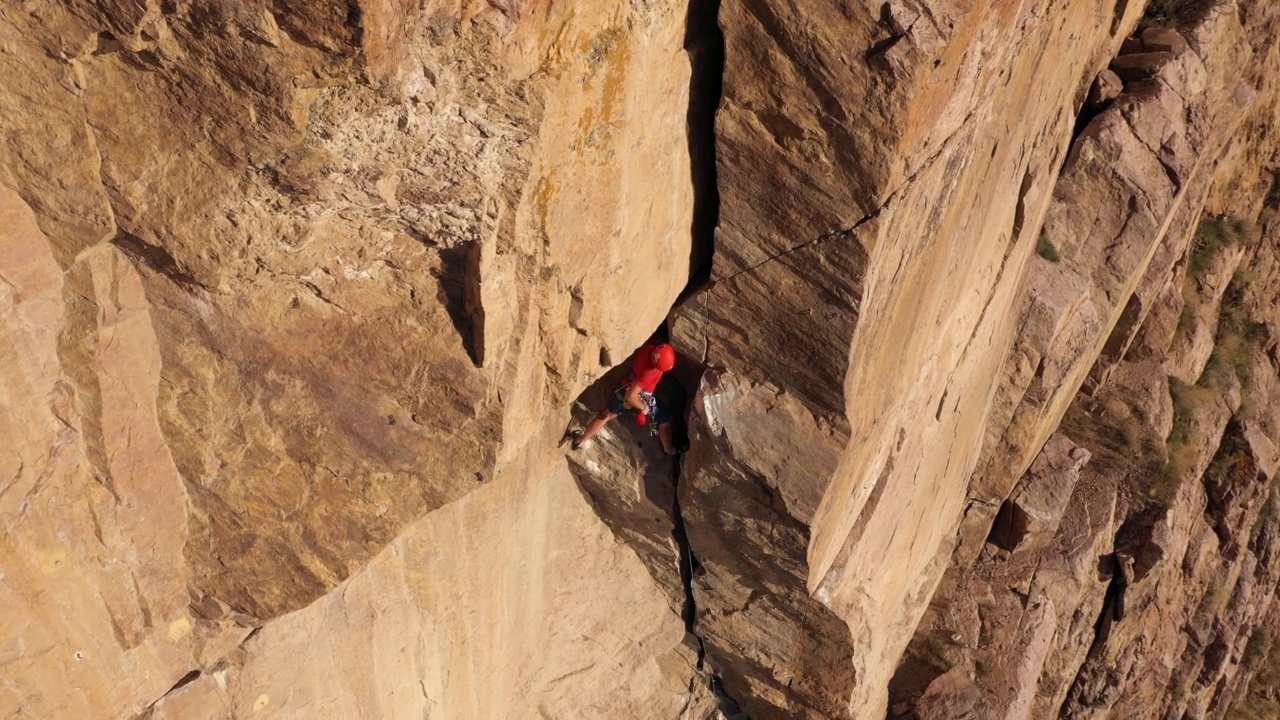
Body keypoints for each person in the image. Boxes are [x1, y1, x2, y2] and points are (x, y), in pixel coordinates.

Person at [572, 341, 679, 455]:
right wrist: (643, 407)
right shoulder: (651, 372)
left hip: (625, 386)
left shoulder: (650, 347)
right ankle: (669, 449)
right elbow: (631, 396)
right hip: (640, 397)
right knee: (665, 421)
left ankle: (581, 441)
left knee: (607, 414)